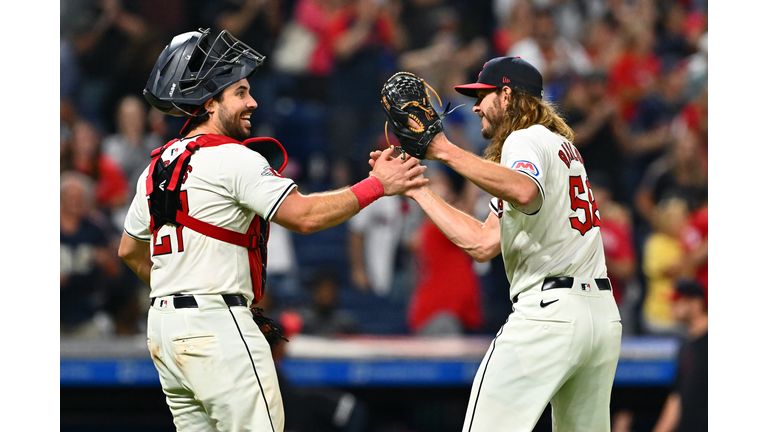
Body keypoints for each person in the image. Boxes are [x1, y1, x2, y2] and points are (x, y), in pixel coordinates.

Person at [117, 28, 427, 432]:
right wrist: (377, 185)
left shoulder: (155, 166)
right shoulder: (232, 157)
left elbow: (129, 250)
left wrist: (182, 286)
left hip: (165, 330)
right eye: (240, 92)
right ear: (210, 104)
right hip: (218, 325)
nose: (253, 102)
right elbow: (305, 216)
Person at [378, 56, 622, 431]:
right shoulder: (558, 146)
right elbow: (482, 242)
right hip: (600, 317)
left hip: (550, 314)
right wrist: (418, 189)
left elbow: (524, 190)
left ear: (507, 95)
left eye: (483, 95)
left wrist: (443, 149)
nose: (475, 106)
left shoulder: (524, 139)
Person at [651, 278, 708, 432]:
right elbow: (676, 397)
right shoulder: (687, 345)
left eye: (678, 301)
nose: (671, 306)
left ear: (696, 303)